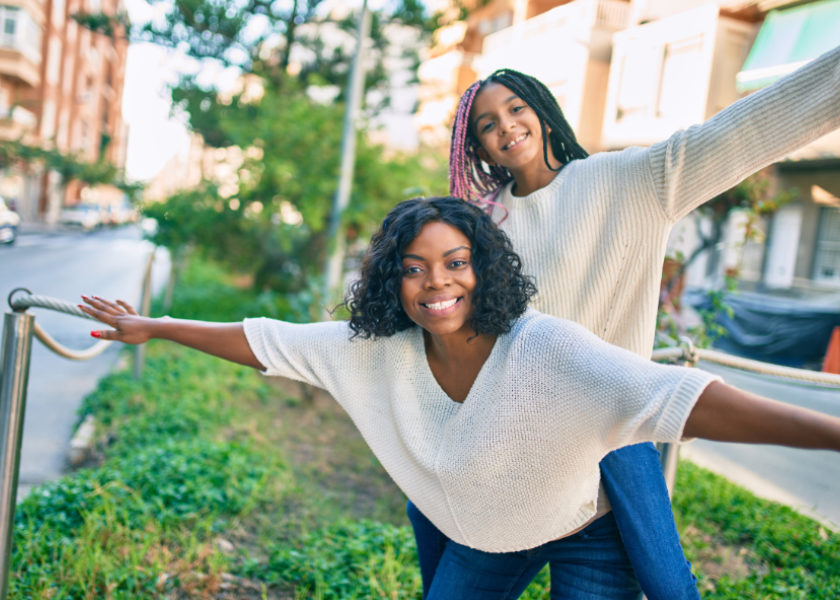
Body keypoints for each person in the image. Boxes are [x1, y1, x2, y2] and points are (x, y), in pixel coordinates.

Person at [82, 197, 840, 600]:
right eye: (412, 268)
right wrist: (156, 326)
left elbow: (681, 397)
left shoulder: (543, 345)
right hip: (486, 530)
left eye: (454, 262)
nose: (435, 282)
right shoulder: (372, 351)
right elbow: (265, 341)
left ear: (484, 268)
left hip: (584, 524)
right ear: (392, 281)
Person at [396, 44, 840, 600]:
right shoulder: (479, 224)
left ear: (541, 109)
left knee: (669, 587)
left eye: (515, 109)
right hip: (506, 459)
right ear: (477, 145)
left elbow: (744, 129)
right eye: (488, 124)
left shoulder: (631, 179)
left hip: (607, 455)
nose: (506, 128)